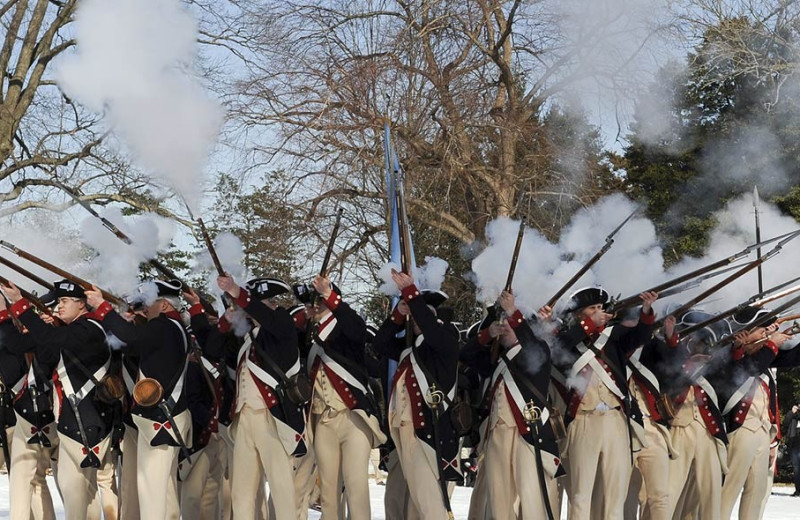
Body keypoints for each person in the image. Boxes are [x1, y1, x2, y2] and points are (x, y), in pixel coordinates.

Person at [2, 280, 114, 520]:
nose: (58, 307)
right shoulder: (69, 330)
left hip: (85, 422)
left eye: (63, 301)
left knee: (78, 491)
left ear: (82, 304)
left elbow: (52, 342)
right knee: (81, 492)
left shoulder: (88, 328)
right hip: (73, 422)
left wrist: (19, 305)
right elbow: (18, 343)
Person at [87, 279, 191, 519]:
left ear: (164, 305)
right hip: (162, 417)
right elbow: (132, 347)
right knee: (162, 491)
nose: (145, 308)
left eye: (149, 303)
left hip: (161, 419)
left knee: (151, 491)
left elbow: (133, 340)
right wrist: (124, 320)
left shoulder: (164, 326)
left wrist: (102, 307)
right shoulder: (170, 327)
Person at [553, 286, 658, 520]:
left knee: (615, 492)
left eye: (601, 307)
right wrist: (588, 326)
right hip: (583, 419)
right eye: (593, 308)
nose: (600, 312)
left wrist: (647, 310)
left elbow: (641, 335)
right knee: (581, 494)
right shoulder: (568, 336)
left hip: (615, 419)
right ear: (580, 313)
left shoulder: (614, 335)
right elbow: (557, 347)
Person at [215, 275, 308, 520]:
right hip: (244, 417)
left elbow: (269, 320)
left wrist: (237, 291)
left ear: (271, 304)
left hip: (273, 417)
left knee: (281, 488)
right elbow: (211, 348)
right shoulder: (247, 340)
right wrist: (226, 320)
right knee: (241, 492)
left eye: (254, 304)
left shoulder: (282, 324)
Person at [373, 270, 460, 518]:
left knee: (428, 504)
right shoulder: (409, 348)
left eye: (421, 315)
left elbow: (432, 331)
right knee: (403, 503)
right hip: (404, 432)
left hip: (429, 435)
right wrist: (400, 313)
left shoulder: (445, 341)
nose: (417, 321)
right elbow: (379, 343)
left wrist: (412, 293)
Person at [783, 399, 800, 496]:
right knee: (796, 468)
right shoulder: (793, 416)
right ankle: (798, 490)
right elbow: (785, 424)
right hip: (794, 444)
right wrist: (791, 413)